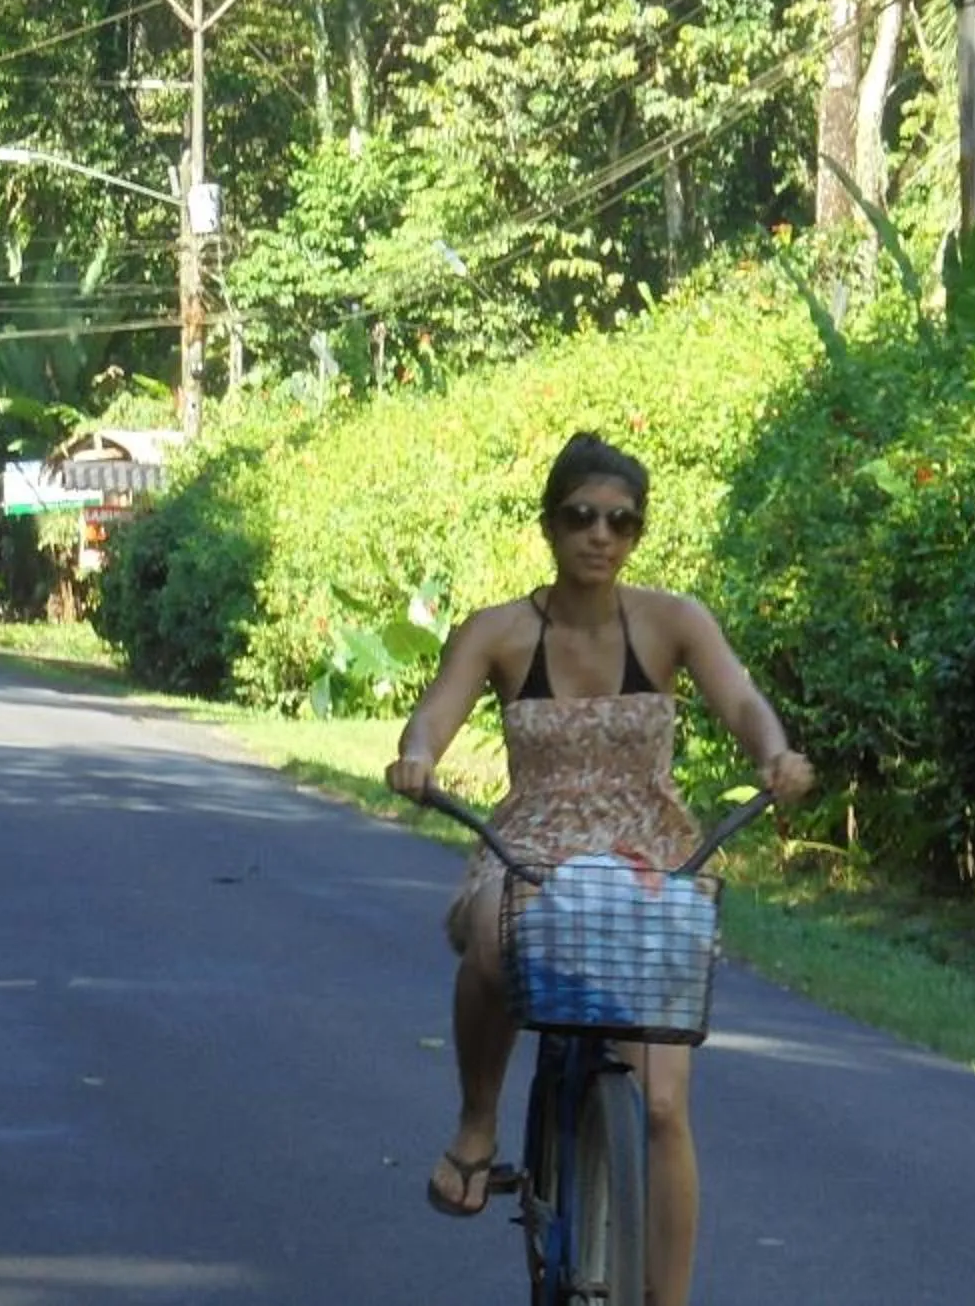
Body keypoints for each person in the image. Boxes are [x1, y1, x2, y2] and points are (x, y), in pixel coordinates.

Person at [384, 432, 813, 1306]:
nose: (601, 536)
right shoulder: (500, 632)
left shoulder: (673, 622)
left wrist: (775, 754)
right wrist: (416, 758)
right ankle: (476, 1124)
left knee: (661, 1108)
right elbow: (434, 716)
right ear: (549, 523)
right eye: (582, 516)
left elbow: (739, 698)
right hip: (534, 846)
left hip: (648, 856)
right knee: (497, 941)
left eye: (622, 522)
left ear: (636, 535)